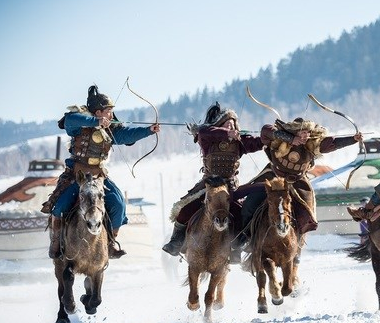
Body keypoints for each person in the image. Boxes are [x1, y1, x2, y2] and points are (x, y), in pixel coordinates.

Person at [42, 85, 160, 259]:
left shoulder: (109, 130)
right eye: (108, 111)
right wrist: (96, 123)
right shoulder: (78, 124)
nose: (111, 116)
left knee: (119, 205)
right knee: (59, 206)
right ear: (98, 112)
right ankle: (56, 243)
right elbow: (69, 120)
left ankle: (110, 243)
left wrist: (148, 131)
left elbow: (126, 135)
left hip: (98, 177)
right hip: (77, 175)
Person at [235, 118, 363, 253]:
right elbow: (266, 131)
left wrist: (353, 139)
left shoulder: (312, 143)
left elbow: (333, 143)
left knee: (307, 213)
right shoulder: (279, 139)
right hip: (274, 177)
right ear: (295, 131)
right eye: (302, 132)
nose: (305, 136)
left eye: (308, 133)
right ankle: (244, 237)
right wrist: (290, 139)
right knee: (251, 203)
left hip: (298, 181)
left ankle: (297, 246)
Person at [162, 103, 264, 257]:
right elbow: (204, 131)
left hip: (230, 187)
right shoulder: (208, 140)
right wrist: (227, 134)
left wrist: (270, 136)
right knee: (185, 209)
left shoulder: (240, 141)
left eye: (233, 123)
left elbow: (258, 142)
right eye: (226, 123)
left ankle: (235, 248)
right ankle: (176, 241)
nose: (230, 125)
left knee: (241, 213)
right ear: (219, 125)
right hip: (209, 185)